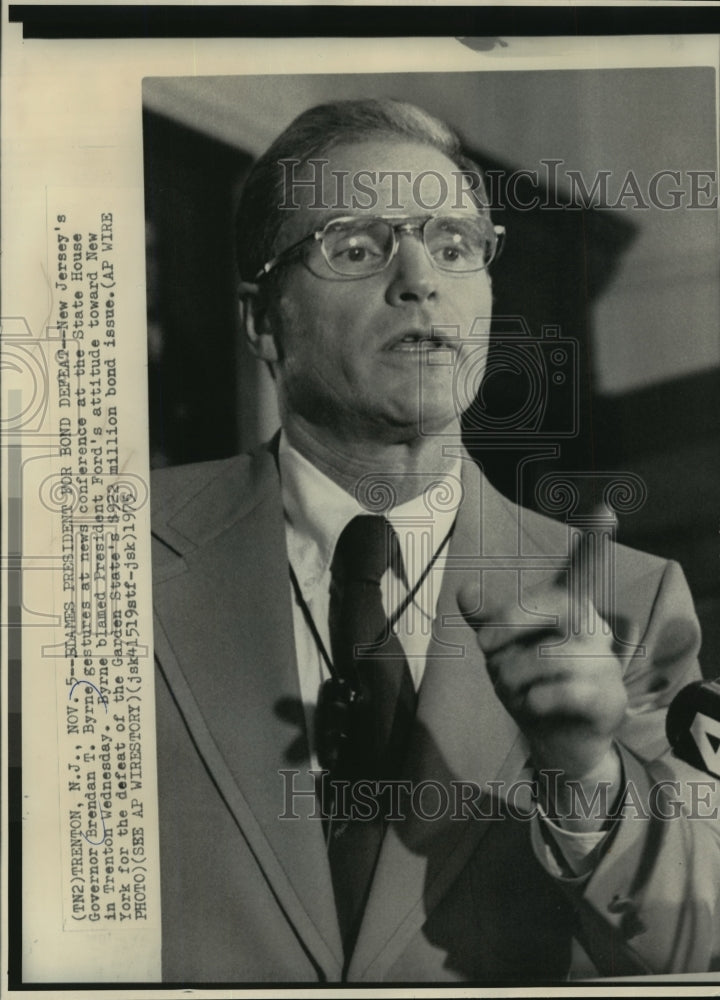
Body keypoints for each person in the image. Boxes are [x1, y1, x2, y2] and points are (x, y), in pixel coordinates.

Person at [150, 98, 720, 983]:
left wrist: (588, 774)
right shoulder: (107, 549)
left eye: (453, 245)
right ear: (264, 320)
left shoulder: (628, 597)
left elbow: (697, 950)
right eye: (355, 245)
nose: (419, 277)